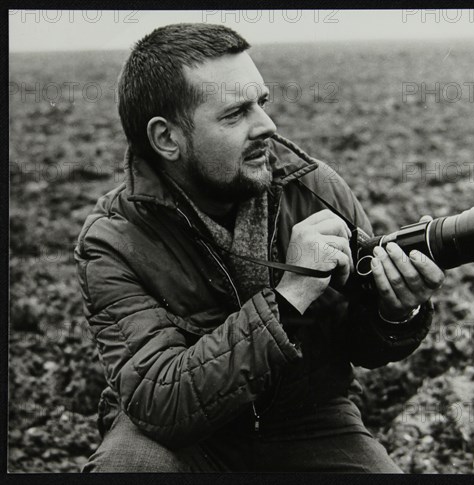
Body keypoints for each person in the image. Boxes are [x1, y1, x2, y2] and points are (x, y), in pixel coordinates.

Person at [75, 23, 445, 473]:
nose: (266, 126)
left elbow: (362, 346)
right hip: (183, 439)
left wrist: (395, 311)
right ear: (167, 139)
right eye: (235, 114)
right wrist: (290, 296)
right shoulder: (113, 240)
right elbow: (161, 402)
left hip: (308, 420)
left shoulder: (314, 188)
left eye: (262, 103)